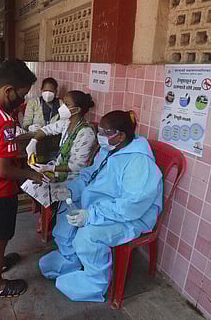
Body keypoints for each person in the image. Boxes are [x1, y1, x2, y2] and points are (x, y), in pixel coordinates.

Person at [38, 110, 163, 302]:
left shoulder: (139, 162)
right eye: (100, 130)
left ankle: (94, 283)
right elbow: (89, 175)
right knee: (67, 209)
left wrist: (91, 215)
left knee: (89, 235)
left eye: (105, 132)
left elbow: (131, 206)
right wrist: (71, 190)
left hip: (132, 217)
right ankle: (69, 258)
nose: (100, 136)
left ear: (120, 135)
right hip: (104, 206)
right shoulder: (111, 149)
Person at [0, 59, 46, 300]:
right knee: (0, 237)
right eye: (22, 94)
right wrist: (30, 174)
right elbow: (4, 170)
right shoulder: (3, 121)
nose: (22, 100)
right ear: (8, 91)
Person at [26, 90, 96, 183]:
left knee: (38, 185)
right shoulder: (66, 123)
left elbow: (78, 166)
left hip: (73, 178)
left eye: (67, 104)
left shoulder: (86, 133)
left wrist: (50, 168)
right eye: (63, 103)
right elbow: (46, 130)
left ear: (77, 110)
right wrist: (33, 141)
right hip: (57, 170)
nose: (62, 107)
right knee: (31, 181)